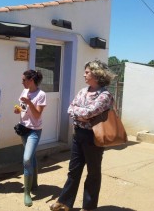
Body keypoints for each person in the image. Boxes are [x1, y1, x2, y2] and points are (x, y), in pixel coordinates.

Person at [49, 60, 115, 211]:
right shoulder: (82, 91)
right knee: (74, 170)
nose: (84, 75)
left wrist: (79, 113)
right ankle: (64, 202)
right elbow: (70, 109)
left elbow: (90, 112)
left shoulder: (105, 95)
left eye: (87, 72)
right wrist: (81, 114)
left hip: (94, 137)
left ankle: (89, 207)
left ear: (96, 74)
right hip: (78, 134)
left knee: (93, 173)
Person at [14, 69, 46, 207]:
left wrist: (29, 102)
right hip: (23, 129)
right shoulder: (25, 91)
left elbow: (37, 114)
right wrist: (18, 110)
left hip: (34, 131)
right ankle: (34, 183)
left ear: (31, 80)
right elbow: (22, 109)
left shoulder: (41, 94)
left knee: (27, 158)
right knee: (31, 157)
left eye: (23, 80)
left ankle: (26, 193)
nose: (22, 82)